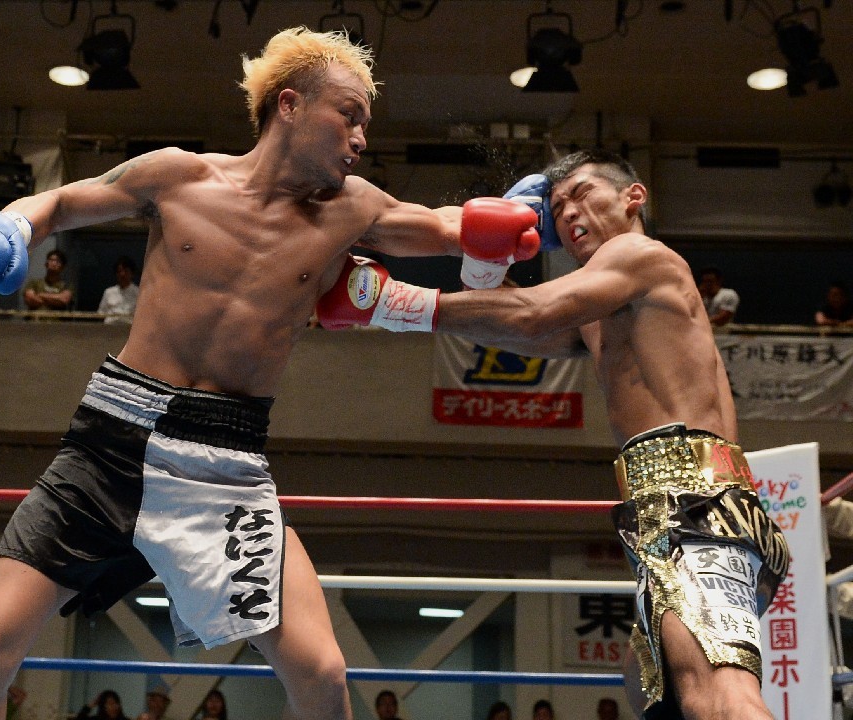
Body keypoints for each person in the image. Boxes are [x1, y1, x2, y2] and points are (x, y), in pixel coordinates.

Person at [0, 25, 542, 720]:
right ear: (289, 105)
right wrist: (11, 227)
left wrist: (516, 218)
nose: (361, 138)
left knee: (320, 673)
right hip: (108, 444)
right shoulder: (178, 176)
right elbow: (66, 201)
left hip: (224, 463)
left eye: (365, 123)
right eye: (349, 115)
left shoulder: (353, 207)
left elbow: (445, 226)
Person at [316, 150, 790, 720]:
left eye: (583, 194)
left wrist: (393, 302)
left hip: (695, 506)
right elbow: (521, 330)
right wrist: (484, 262)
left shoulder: (638, 255)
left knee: (718, 695)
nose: (567, 213)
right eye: (558, 206)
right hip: (677, 507)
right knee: (653, 691)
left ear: (634, 197)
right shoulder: (607, 303)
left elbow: (533, 313)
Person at [23, 248, 73, 313]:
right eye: (51, 260)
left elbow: (64, 299)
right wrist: (55, 300)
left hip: (57, 319)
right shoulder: (34, 283)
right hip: (36, 319)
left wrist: (41, 295)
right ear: (46, 263)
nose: (54, 263)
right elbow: (30, 298)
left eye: (58, 261)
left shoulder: (66, 286)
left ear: (62, 266)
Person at [98, 255, 141, 325]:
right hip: (109, 328)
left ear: (132, 274)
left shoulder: (139, 293)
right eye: (120, 271)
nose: (122, 274)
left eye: (126, 271)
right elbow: (100, 314)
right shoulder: (108, 292)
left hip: (129, 328)